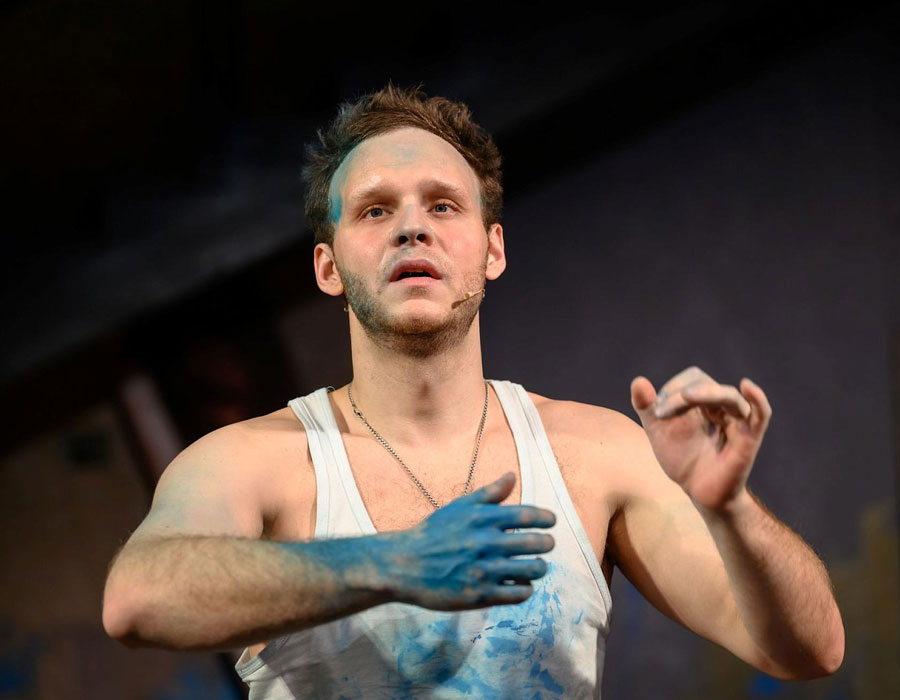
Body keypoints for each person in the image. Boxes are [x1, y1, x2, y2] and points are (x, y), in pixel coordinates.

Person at [103, 85, 844, 699]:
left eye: (443, 205)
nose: (411, 229)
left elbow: (811, 651)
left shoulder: (596, 453)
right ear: (329, 268)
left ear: (492, 250)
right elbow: (137, 599)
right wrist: (393, 564)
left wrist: (731, 512)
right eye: (375, 209)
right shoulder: (250, 461)